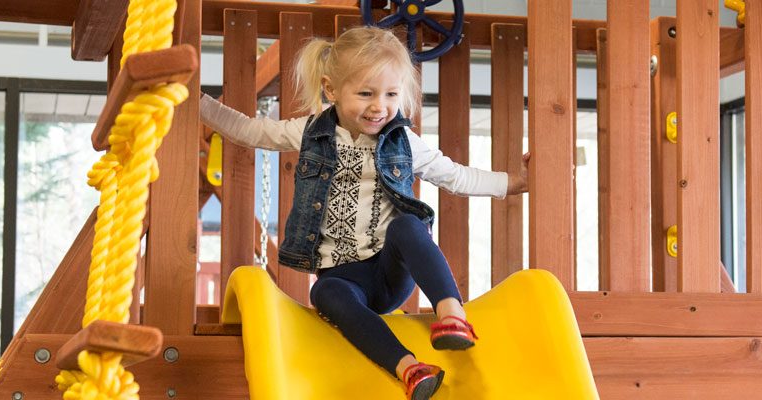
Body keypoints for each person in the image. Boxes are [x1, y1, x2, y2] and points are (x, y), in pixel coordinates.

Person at [200, 26, 529, 400]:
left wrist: (514, 182)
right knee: (324, 292)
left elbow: (454, 175)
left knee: (408, 225)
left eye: (391, 94)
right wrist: (197, 102)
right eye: (366, 94)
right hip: (344, 282)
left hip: (388, 272)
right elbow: (251, 130)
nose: (380, 106)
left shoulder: (404, 141)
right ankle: (410, 369)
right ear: (331, 90)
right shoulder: (309, 132)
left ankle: (452, 315)